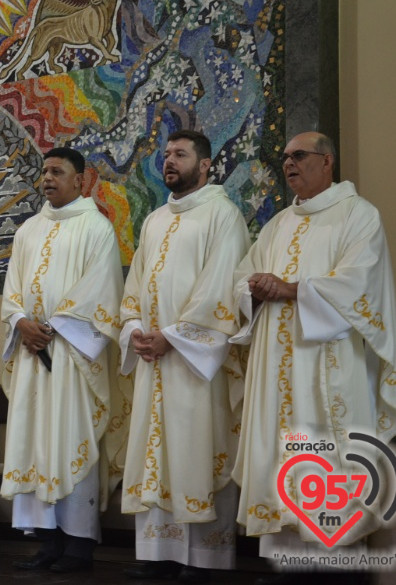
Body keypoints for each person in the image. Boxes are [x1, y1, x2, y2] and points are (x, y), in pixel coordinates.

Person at [231, 132, 396, 583]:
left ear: (327, 162)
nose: (288, 163)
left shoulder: (358, 215)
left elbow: (359, 284)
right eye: (285, 157)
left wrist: (288, 289)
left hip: (329, 367)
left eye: (299, 155)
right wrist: (251, 288)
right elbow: (242, 276)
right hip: (277, 370)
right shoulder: (277, 224)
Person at [119, 131, 249, 583]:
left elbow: (220, 290)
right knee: (156, 452)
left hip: (195, 362)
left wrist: (173, 337)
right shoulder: (154, 220)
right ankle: (158, 551)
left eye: (180, 155)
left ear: (207, 164)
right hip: (155, 361)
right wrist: (135, 330)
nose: (169, 162)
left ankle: (204, 557)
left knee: (196, 449)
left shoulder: (223, 216)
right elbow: (134, 286)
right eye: (166, 155)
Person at [0, 147, 128, 574]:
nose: (48, 178)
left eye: (58, 171)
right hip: (33, 355)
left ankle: (78, 545)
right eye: (45, 171)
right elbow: (12, 288)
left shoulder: (96, 228)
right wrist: (21, 323)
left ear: (81, 180)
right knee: (37, 444)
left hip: (72, 358)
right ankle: (46, 542)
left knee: (70, 438)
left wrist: (51, 329)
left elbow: (101, 290)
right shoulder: (27, 230)